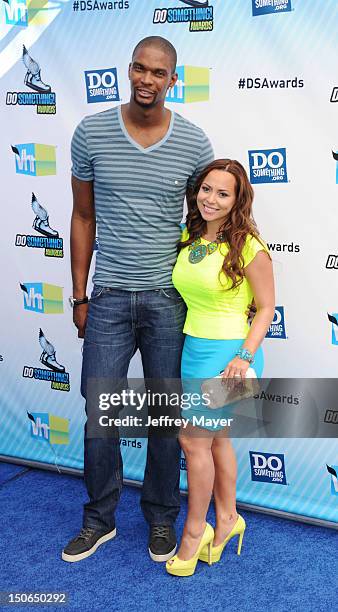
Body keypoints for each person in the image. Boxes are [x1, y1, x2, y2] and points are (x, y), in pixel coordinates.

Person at [62, 36, 214, 563]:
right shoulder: (91, 132)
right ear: (129, 71)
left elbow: (206, 225)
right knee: (100, 413)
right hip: (106, 298)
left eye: (159, 72)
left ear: (174, 80)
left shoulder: (195, 143)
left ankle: (161, 517)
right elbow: (83, 217)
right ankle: (99, 519)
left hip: (168, 300)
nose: (147, 79)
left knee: (166, 416)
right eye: (139, 69)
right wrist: (79, 295)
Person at [166, 159, 275, 576]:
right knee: (215, 441)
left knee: (193, 442)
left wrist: (244, 357)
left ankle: (196, 531)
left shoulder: (248, 244)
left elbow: (266, 308)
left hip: (232, 357)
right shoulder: (190, 236)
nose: (211, 199)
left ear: (237, 199)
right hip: (195, 349)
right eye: (206, 189)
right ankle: (228, 517)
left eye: (222, 193)